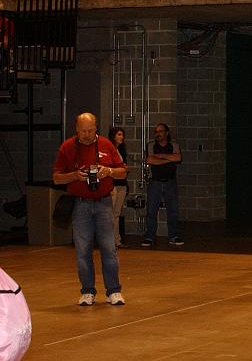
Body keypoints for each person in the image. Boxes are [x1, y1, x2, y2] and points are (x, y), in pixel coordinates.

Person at [51, 112, 127, 306]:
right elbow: (57, 178)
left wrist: (108, 171)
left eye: (90, 130)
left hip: (103, 203)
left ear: (96, 128)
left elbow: (122, 171)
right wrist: (76, 175)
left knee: (109, 249)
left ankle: (114, 291)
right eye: (83, 131)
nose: (86, 134)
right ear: (76, 130)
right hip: (80, 204)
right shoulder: (67, 147)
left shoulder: (106, 145)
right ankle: (87, 291)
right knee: (82, 250)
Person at [142, 123, 183, 248]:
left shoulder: (174, 145)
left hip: (170, 182)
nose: (157, 134)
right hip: (155, 182)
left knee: (173, 211)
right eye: (156, 132)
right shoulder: (151, 146)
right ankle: (150, 236)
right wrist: (168, 159)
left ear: (167, 132)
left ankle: (173, 236)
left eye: (160, 131)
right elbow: (149, 160)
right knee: (151, 211)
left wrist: (161, 156)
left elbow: (178, 158)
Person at [108, 127, 129, 248]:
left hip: (121, 183)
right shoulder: (109, 149)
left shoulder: (121, 149)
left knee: (117, 213)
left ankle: (117, 240)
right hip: (113, 184)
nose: (122, 137)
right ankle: (110, 240)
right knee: (110, 213)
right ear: (113, 136)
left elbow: (123, 166)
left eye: (122, 135)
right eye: (119, 134)